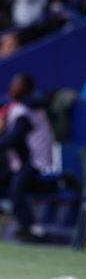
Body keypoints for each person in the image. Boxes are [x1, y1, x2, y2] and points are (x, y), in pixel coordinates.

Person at [0, 73, 55, 242]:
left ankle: (32, 229)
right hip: (22, 159)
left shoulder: (29, 107)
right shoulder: (19, 106)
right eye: (13, 84)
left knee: (17, 188)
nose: (13, 88)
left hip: (36, 161)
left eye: (18, 85)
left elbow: (15, 138)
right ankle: (22, 222)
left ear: (27, 88)